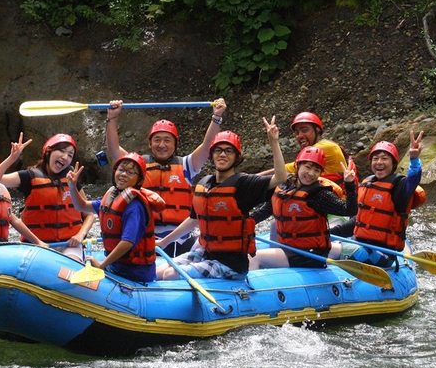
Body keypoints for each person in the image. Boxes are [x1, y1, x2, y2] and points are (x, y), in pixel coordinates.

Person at [156, 118, 286, 280]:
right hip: (205, 253)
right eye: (218, 150)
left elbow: (280, 177)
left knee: (170, 275)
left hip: (230, 264)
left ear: (237, 157)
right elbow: (192, 220)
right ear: (212, 155)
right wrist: (164, 242)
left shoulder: (244, 184)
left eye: (228, 151)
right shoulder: (205, 183)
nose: (222, 154)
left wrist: (273, 142)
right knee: (159, 272)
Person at [105, 98, 227, 257]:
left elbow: (207, 145)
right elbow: (114, 149)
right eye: (157, 140)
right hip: (147, 237)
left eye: (167, 140)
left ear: (175, 144)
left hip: (181, 241)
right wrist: (112, 118)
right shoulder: (138, 166)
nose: (162, 144)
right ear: (150, 143)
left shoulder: (187, 165)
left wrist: (216, 117)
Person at [248, 146, 358, 270]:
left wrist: (349, 184)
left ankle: (244, 289)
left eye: (317, 170)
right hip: (289, 248)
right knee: (274, 224)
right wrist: (241, 223)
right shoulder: (284, 186)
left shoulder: (319, 195)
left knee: (254, 257)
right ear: (297, 166)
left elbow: (349, 210)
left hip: (310, 254)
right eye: (308, 167)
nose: (311, 173)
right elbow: (263, 212)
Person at [65, 152, 166, 283]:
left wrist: (102, 265)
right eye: (121, 169)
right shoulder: (112, 197)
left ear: (139, 180)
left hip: (135, 273)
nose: (124, 174)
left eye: (130, 172)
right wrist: (72, 187)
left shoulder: (135, 207)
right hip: (118, 267)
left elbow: (127, 242)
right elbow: (82, 206)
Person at [330, 131, 426, 267]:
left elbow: (413, 180)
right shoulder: (367, 183)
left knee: (323, 248)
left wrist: (414, 159)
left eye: (384, 158)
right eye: (375, 159)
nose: (379, 162)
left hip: (382, 253)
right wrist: (327, 233)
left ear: (393, 163)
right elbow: (356, 223)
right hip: (358, 243)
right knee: (320, 242)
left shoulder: (399, 186)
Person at [0, 133, 96, 259]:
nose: (65, 157)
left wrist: (80, 235)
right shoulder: (28, 177)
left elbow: (89, 215)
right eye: (61, 151)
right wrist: (12, 158)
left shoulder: (72, 180)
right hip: (36, 244)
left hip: (68, 244)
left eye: (70, 155)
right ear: (48, 151)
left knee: (70, 272)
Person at [259, 111, 350, 184]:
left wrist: (251, 179)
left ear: (317, 130)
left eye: (304, 130)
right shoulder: (323, 146)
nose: (300, 135)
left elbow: (282, 171)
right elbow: (286, 169)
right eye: (297, 132)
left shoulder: (325, 147)